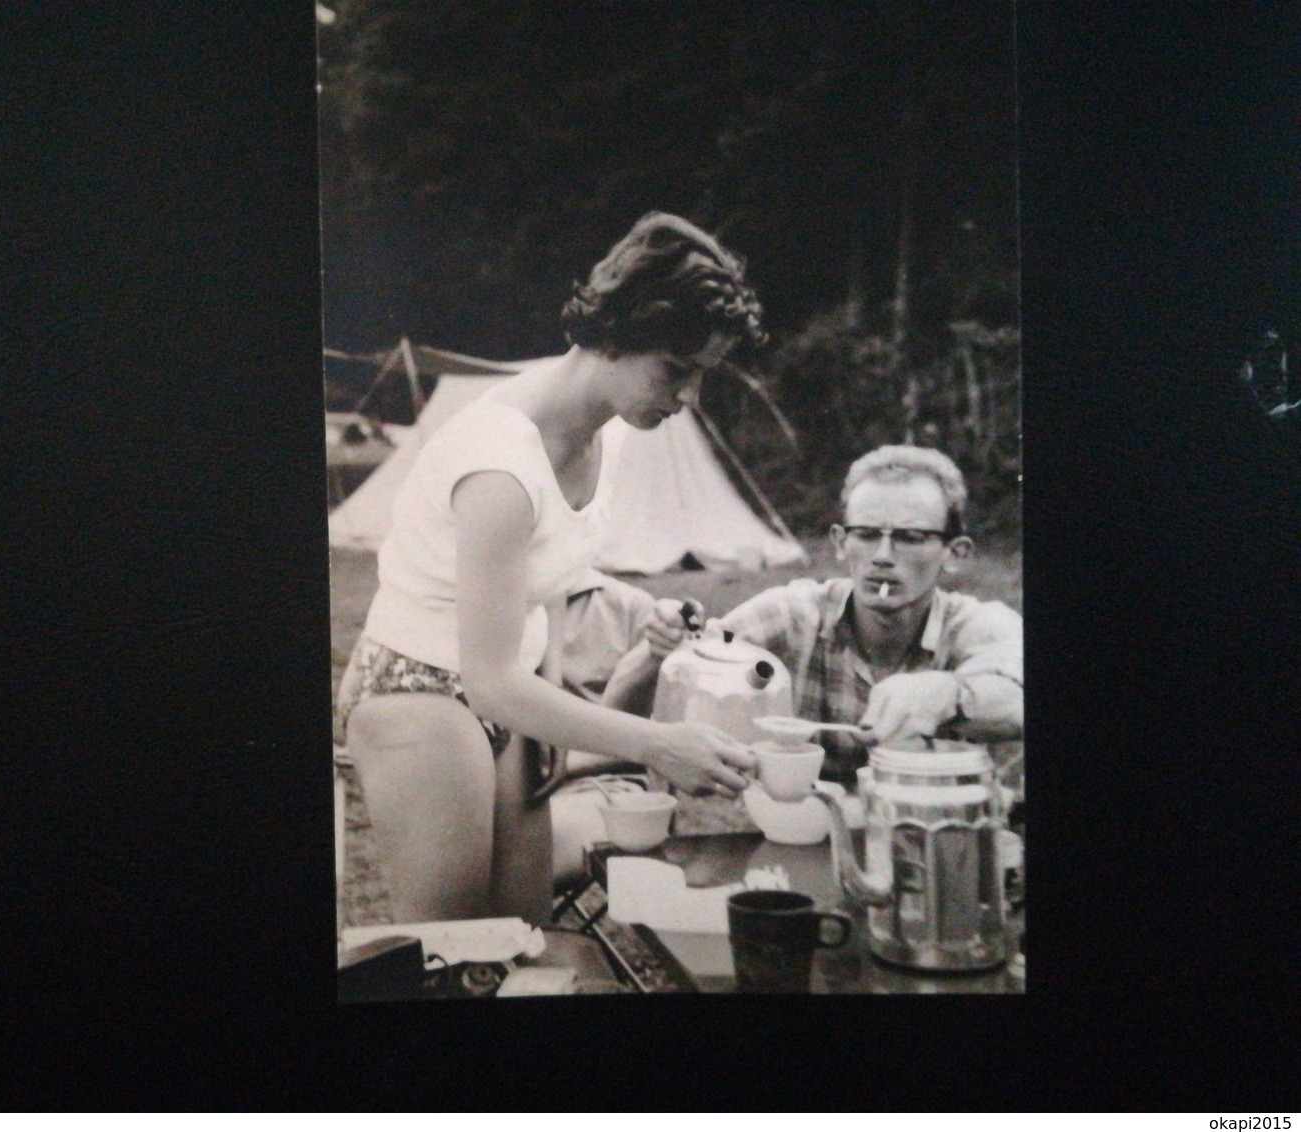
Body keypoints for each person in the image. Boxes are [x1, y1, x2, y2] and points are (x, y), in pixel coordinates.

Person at [336, 212, 765, 923]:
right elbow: (489, 680)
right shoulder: (500, 466)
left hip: (514, 693)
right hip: (419, 691)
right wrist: (661, 743)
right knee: (457, 943)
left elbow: (554, 587)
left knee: (522, 927)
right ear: (617, 335)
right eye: (677, 371)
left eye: (703, 377)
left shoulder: (611, 432)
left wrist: (555, 710)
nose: (689, 399)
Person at [624, 445, 1023, 787]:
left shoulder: (975, 625)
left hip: (934, 840)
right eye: (866, 534)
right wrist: (662, 646)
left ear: (956, 554)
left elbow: (1016, 694)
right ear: (839, 543)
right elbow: (707, 651)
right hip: (806, 835)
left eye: (910, 537)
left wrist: (949, 694)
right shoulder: (795, 614)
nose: (883, 556)